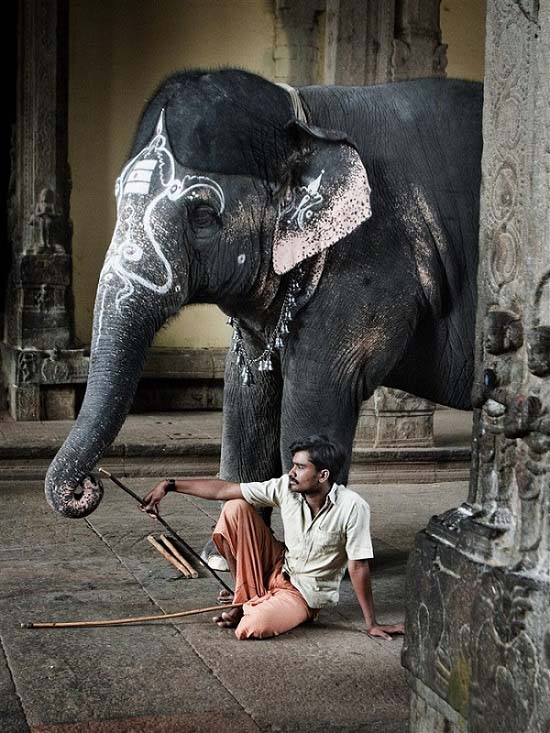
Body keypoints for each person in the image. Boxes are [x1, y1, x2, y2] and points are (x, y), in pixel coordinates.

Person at [142, 434, 404, 641]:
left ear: (323, 476)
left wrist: (372, 624)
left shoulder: (352, 507)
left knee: (251, 627)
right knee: (235, 506)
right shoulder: (286, 487)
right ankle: (245, 593)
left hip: (303, 594)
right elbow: (225, 489)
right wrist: (170, 485)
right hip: (277, 566)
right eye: (293, 465)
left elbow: (358, 566)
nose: (292, 472)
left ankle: (251, 602)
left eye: (301, 467)